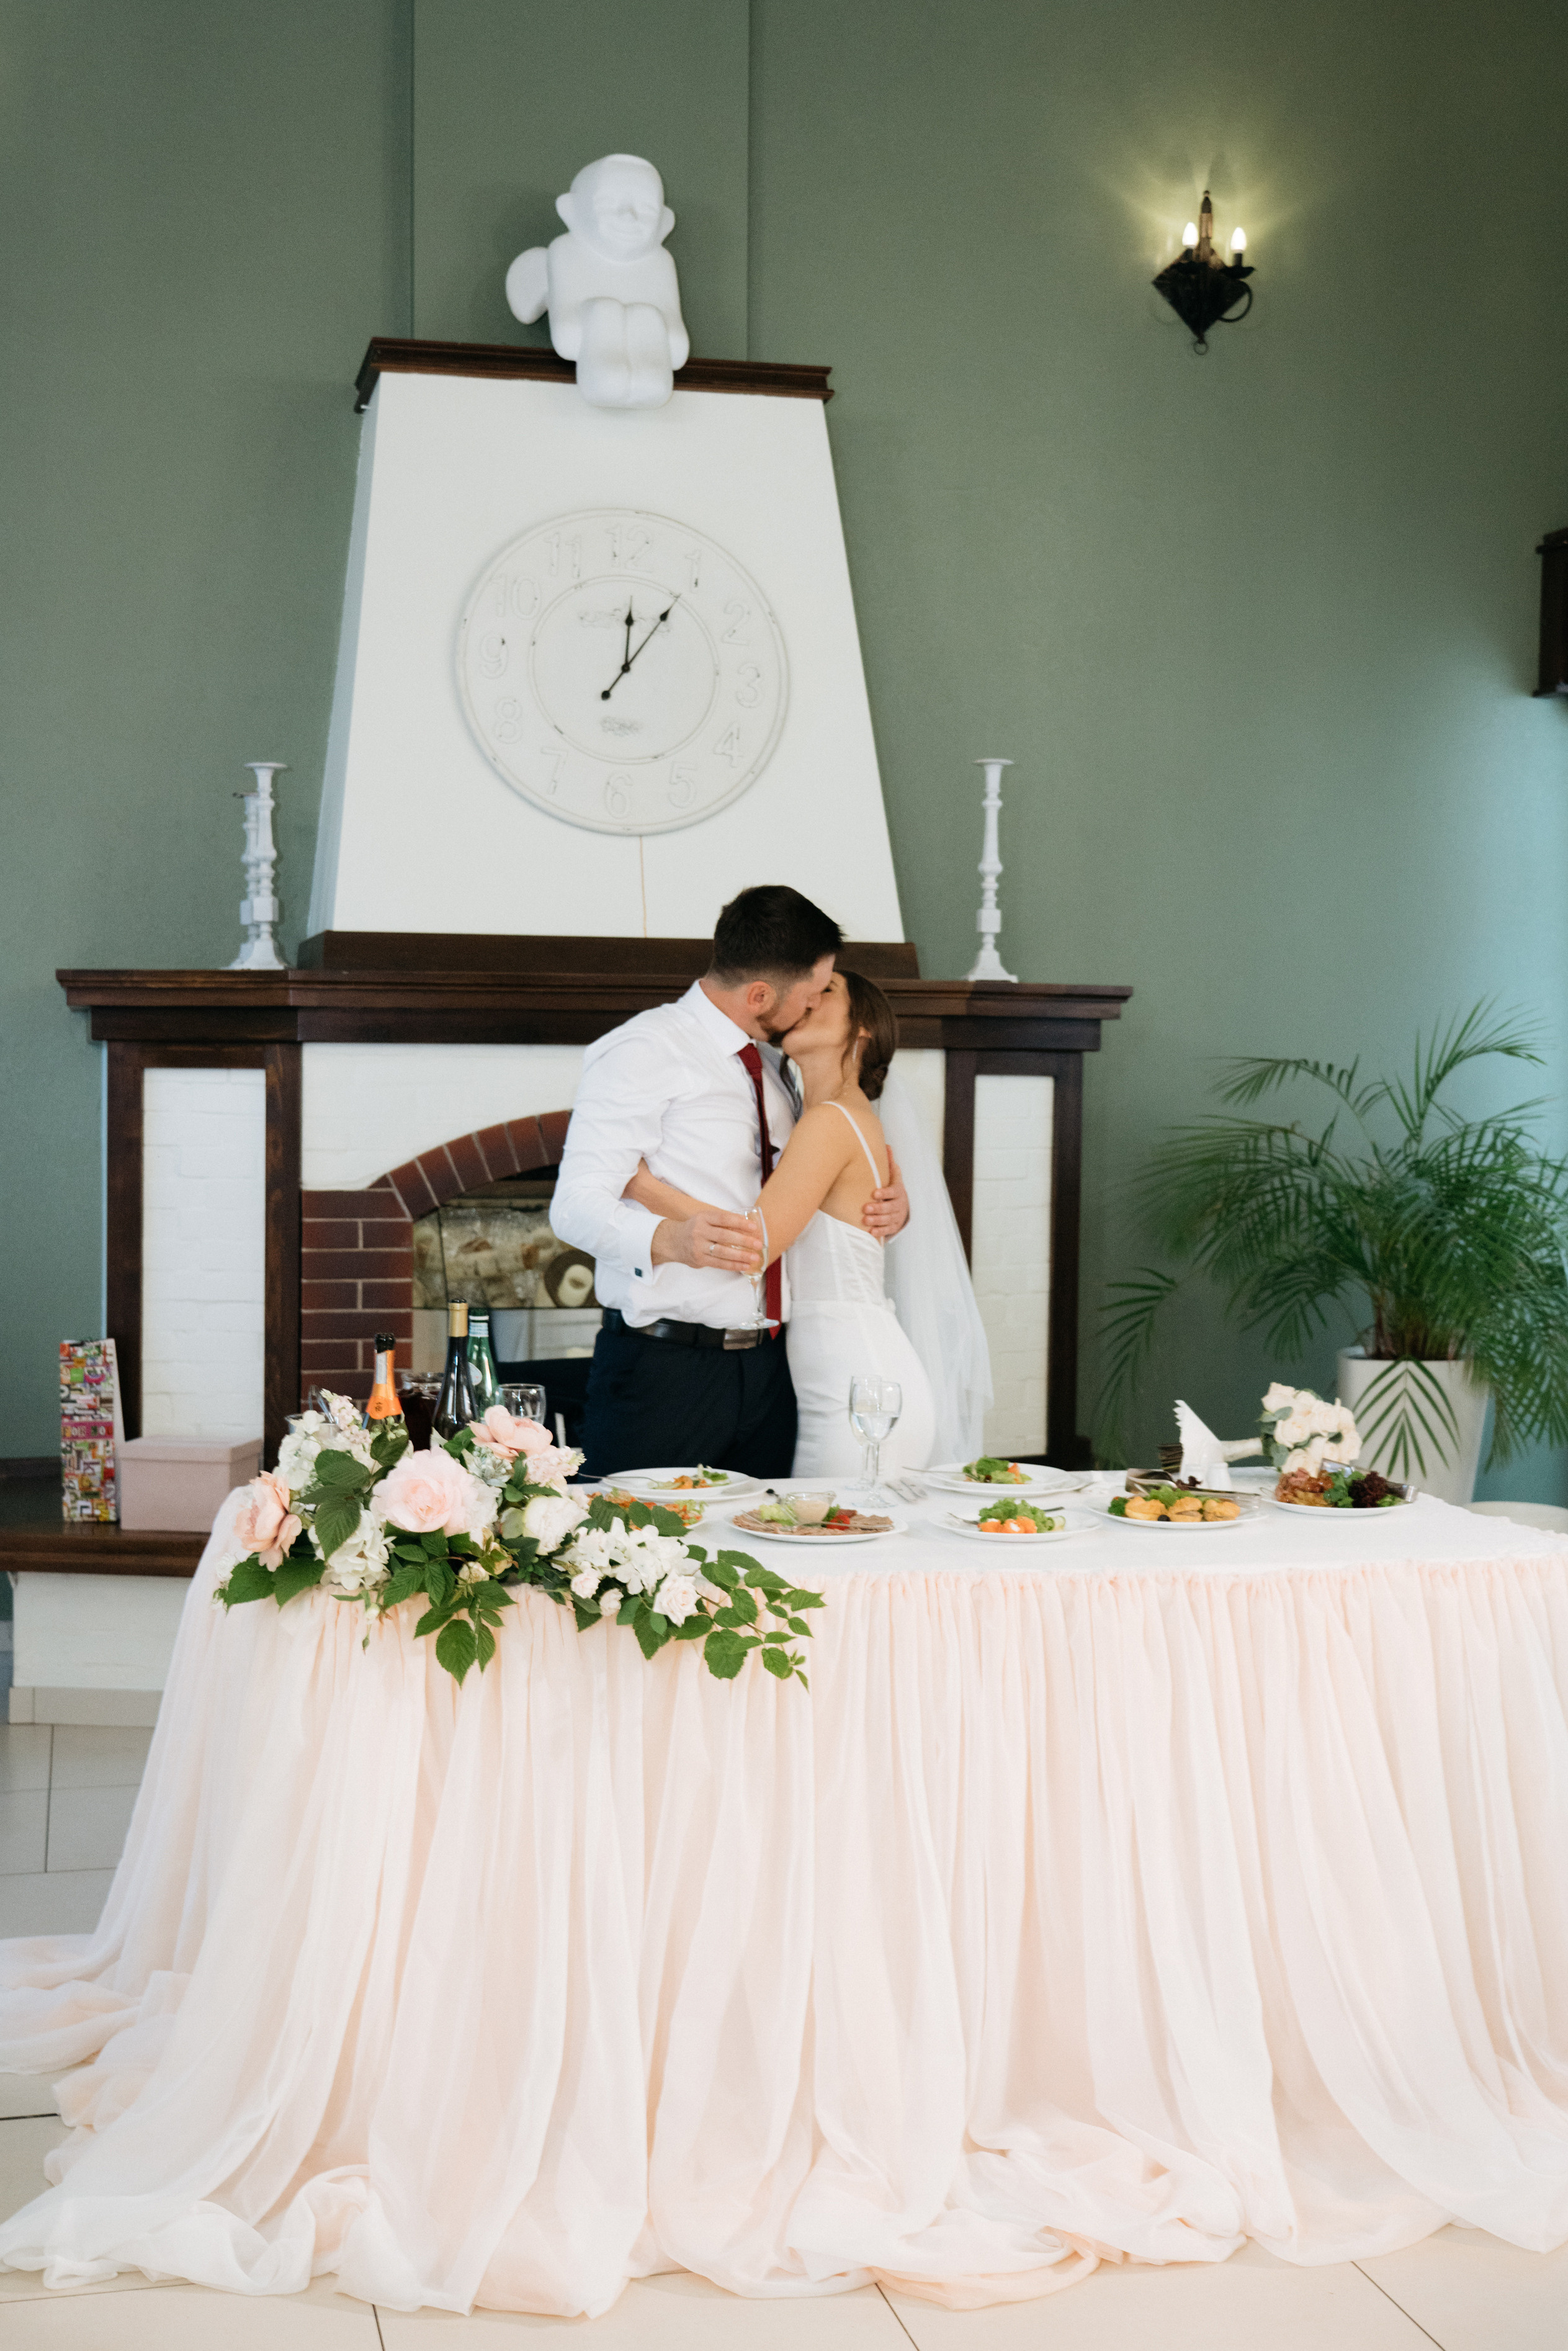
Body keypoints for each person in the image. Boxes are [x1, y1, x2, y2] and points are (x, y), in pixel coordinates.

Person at [550, 886, 909, 1477]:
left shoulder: (776, 1069)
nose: (819, 1001)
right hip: (665, 1371)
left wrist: (888, 1203)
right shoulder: (643, 1050)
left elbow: (810, 1187)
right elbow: (574, 1206)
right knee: (636, 1558)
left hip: (775, 1371)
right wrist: (670, 1239)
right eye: (815, 990)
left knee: (763, 1561)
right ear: (761, 994)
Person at [625, 969, 944, 1478]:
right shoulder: (812, 1114)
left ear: (862, 1029)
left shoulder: (830, 1121)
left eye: (827, 992)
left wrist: (643, 1189)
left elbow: (754, 1247)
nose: (810, 998)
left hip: (857, 1390)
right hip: (829, 1377)